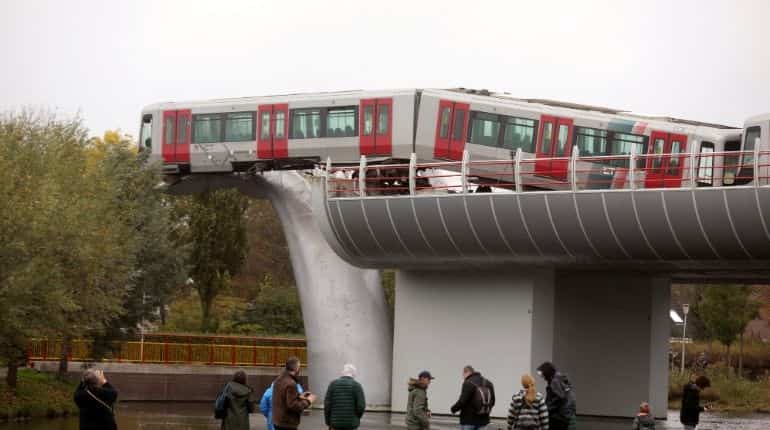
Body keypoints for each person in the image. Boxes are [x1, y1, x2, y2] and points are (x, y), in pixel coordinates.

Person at [272, 357, 317, 430]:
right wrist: (308, 401)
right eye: (299, 367)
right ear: (296, 368)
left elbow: (283, 397)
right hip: (287, 423)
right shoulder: (291, 383)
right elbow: (293, 405)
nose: (300, 369)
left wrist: (299, 396)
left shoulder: (279, 379)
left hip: (277, 420)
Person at [450, 365, 496, 430]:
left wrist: (453, 409)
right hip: (484, 421)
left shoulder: (468, 383)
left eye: (463, 374)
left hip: (468, 420)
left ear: (466, 372)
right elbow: (493, 401)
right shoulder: (488, 383)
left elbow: (462, 401)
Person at [324, 363, 366, 430]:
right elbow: (361, 406)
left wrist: (328, 421)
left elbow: (327, 405)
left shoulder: (333, 384)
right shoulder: (357, 386)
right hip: (351, 425)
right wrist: (356, 418)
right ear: (354, 374)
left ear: (342, 372)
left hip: (335, 424)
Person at [536, 362, 576, 430]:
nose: (542, 377)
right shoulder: (560, 379)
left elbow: (559, 397)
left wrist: (546, 409)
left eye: (542, 374)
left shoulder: (555, 381)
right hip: (566, 414)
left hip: (558, 416)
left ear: (546, 372)